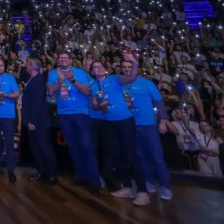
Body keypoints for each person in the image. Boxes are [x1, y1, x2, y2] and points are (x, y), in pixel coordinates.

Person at [91, 56, 149, 206]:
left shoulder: (114, 79)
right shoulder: (93, 85)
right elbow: (94, 106)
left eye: (100, 66)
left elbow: (132, 76)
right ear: (91, 71)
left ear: (105, 68)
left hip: (124, 120)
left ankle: (143, 191)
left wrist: (135, 63)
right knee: (119, 155)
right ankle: (128, 187)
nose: (98, 68)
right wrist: (100, 106)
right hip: (109, 122)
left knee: (131, 154)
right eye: (95, 67)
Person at [47, 51, 100, 196]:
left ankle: (95, 182)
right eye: (60, 57)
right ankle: (81, 176)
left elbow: (88, 91)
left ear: (71, 60)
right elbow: (51, 92)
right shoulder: (52, 73)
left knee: (86, 146)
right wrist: (61, 80)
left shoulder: (80, 73)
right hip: (64, 115)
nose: (63, 59)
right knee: (73, 147)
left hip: (81, 113)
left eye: (66, 58)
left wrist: (73, 80)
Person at [132, 67, 172, 200]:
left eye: (130, 67)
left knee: (157, 157)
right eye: (124, 67)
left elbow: (159, 102)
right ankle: (149, 182)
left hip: (149, 125)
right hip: (132, 125)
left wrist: (163, 121)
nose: (127, 69)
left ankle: (165, 186)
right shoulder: (122, 84)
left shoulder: (147, 83)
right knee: (142, 157)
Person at [21, 58, 57, 185]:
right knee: (36, 148)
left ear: (31, 66)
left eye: (27, 64)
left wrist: (31, 121)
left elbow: (37, 104)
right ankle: (42, 172)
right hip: (35, 121)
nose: (25, 66)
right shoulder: (34, 80)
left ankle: (51, 175)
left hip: (39, 122)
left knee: (44, 148)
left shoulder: (38, 81)